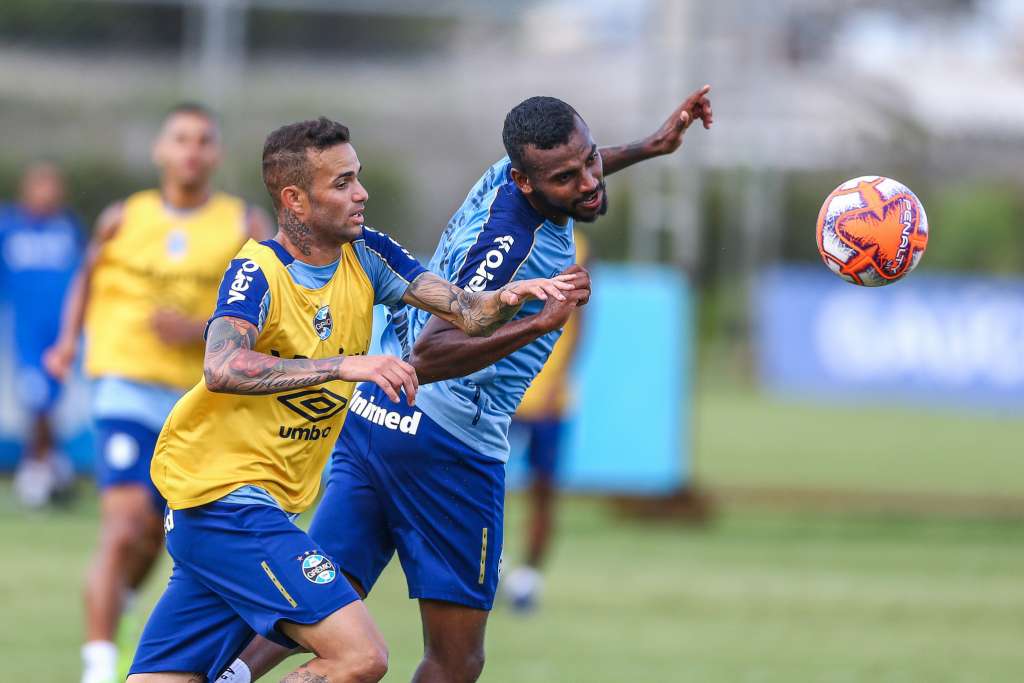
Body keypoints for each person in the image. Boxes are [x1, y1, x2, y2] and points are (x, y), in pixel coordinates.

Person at [228, 85, 712, 683]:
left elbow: (571, 166)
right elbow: (431, 353)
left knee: (330, 593)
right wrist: (540, 323)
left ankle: (229, 677)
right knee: (456, 660)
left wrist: (650, 146)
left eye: (589, 160)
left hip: (376, 419)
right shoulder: (515, 246)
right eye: (567, 177)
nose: (589, 181)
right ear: (527, 183)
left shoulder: (510, 176)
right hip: (447, 443)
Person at [124, 116, 576, 683]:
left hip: (249, 509)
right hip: (224, 501)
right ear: (295, 199)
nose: (361, 192)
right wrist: (345, 365)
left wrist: (514, 297)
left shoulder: (367, 255)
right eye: (341, 183)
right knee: (360, 657)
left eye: (357, 177)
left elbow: (466, 311)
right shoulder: (257, 272)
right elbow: (221, 366)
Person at [44, 103, 273, 683]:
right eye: (180, 139)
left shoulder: (243, 225)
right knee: (122, 526)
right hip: (125, 385)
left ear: (217, 154)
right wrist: (67, 341)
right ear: (159, 150)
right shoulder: (124, 217)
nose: (191, 150)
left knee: (158, 533)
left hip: (199, 402)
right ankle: (97, 667)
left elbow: (273, 310)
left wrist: (199, 328)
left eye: (203, 140)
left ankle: (118, 601)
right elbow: (89, 275)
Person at [503, 229, 590, 613]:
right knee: (479, 484)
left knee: (543, 490)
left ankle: (528, 580)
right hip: (502, 392)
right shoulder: (504, 238)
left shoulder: (579, 247)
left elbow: (584, 321)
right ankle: (487, 565)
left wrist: (561, 379)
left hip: (550, 397)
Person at [0, 161, 83, 507]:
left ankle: (48, 466)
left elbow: (83, 277)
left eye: (53, 186)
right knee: (37, 401)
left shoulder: (68, 229)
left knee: (53, 402)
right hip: (26, 336)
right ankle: (40, 466)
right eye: (40, 185)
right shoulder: (10, 228)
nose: (47, 193)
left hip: (62, 334)